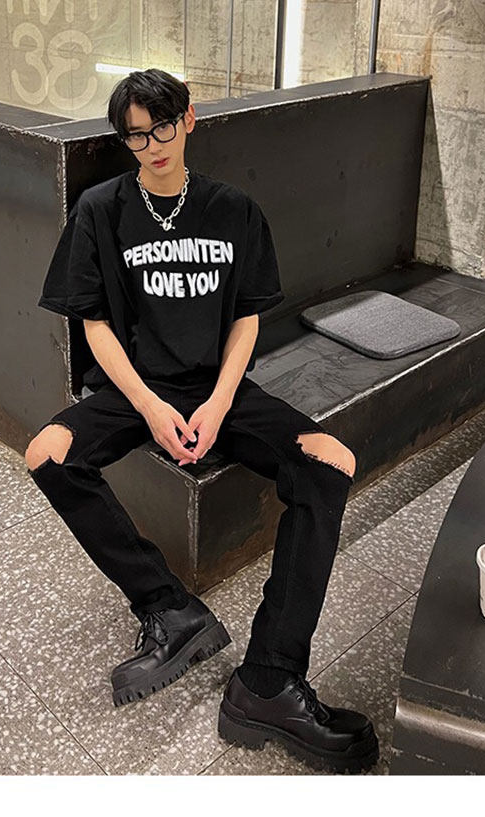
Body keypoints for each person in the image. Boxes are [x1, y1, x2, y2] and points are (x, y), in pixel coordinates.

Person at [25, 68, 378, 773]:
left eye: (162, 126)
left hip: (220, 389)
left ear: (189, 119)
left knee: (329, 462)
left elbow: (247, 318)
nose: (151, 144)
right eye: (135, 134)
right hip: (137, 388)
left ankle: (268, 679)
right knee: (48, 453)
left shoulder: (233, 210)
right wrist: (151, 406)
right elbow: (94, 325)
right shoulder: (100, 210)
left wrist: (217, 403)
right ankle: (169, 608)